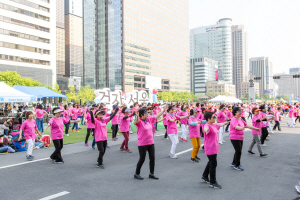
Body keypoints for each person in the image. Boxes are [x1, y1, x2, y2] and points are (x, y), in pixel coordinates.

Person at [134, 106, 166, 180]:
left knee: (152, 158)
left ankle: (151, 173)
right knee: (142, 159)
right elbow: (137, 121)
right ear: (142, 115)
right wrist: (137, 116)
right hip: (142, 144)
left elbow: (156, 116)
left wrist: (163, 111)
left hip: (151, 143)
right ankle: (136, 173)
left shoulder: (148, 120)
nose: (148, 114)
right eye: (146, 113)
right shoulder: (139, 122)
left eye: (147, 113)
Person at [201, 111, 228, 189]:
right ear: (209, 119)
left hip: (214, 147)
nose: (215, 118)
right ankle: (212, 182)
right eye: (213, 117)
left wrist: (226, 122)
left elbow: (220, 124)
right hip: (210, 147)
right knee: (213, 163)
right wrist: (206, 130)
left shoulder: (213, 125)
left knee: (211, 162)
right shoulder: (207, 125)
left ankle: (205, 176)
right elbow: (205, 128)